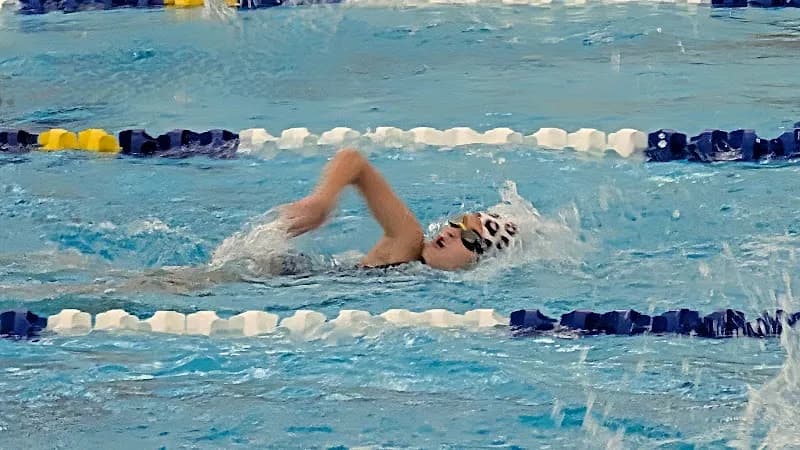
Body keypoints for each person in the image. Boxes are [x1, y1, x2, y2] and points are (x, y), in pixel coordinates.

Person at [282, 148, 518, 271]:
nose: (451, 231)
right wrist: (322, 201)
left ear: (481, 261)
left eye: (469, 237)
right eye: (459, 221)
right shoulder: (409, 242)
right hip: (281, 274)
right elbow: (353, 161)